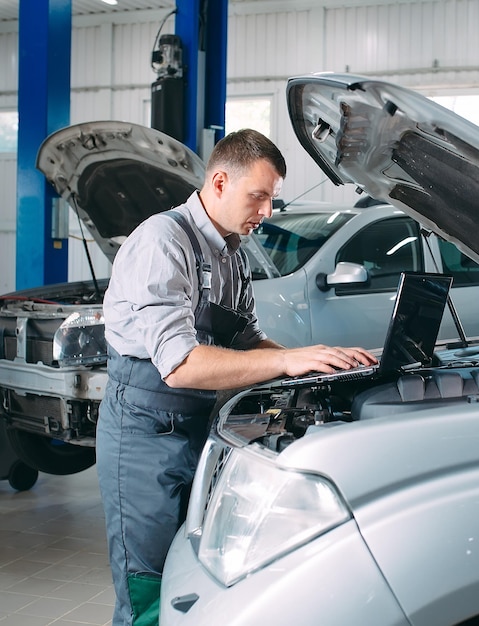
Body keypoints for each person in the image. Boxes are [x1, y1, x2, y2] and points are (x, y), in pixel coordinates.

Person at [96, 128, 377, 626]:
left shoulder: (231, 254)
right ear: (220, 182)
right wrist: (285, 362)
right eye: (259, 196)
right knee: (149, 587)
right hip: (143, 429)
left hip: (201, 427)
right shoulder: (162, 241)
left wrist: (314, 362)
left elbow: (247, 341)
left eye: (272, 198)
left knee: (193, 578)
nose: (267, 212)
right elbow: (181, 365)